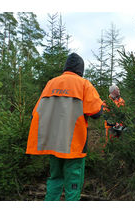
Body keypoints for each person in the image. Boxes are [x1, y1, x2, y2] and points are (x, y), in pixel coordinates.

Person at [26, 53, 103, 201]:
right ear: (81, 69)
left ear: (66, 67)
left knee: (55, 177)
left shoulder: (51, 83)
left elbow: (35, 113)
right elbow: (96, 113)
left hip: (53, 144)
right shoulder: (84, 84)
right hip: (74, 145)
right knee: (73, 182)